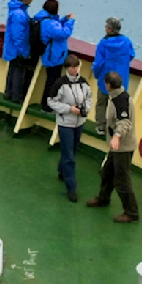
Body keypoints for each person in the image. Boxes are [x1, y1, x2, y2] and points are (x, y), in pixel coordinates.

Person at [86, 71, 139, 223]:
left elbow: (124, 122)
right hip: (116, 147)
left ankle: (132, 213)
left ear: (108, 85)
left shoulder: (120, 102)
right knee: (107, 172)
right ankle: (103, 198)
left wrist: (116, 137)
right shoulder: (117, 96)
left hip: (123, 148)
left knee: (122, 181)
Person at [46, 54, 92, 203]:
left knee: (72, 149)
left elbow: (89, 98)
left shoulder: (84, 83)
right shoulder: (60, 84)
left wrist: (86, 109)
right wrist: (68, 109)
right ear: (67, 68)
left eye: (77, 66)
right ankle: (71, 188)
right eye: (73, 67)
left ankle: (61, 171)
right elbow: (51, 101)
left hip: (79, 122)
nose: (76, 69)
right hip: (65, 123)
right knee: (69, 156)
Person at [93, 18, 136, 134]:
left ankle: (101, 126)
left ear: (109, 29)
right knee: (118, 104)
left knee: (102, 102)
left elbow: (98, 63)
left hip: (105, 79)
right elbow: (131, 54)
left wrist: (97, 75)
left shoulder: (103, 43)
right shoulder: (126, 41)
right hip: (121, 78)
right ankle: (116, 127)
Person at [2, 0, 37, 103]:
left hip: (12, 47)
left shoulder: (17, 9)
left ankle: (8, 93)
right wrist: (24, 51)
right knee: (18, 73)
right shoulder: (19, 14)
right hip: (17, 49)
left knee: (12, 70)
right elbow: (18, 36)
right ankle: (16, 97)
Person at [38, 0, 76, 102]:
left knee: (52, 80)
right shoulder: (49, 23)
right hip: (54, 57)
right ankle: (47, 106)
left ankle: (48, 104)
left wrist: (64, 20)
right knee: (52, 82)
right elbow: (64, 33)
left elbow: (57, 27)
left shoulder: (44, 19)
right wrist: (71, 21)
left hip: (51, 55)